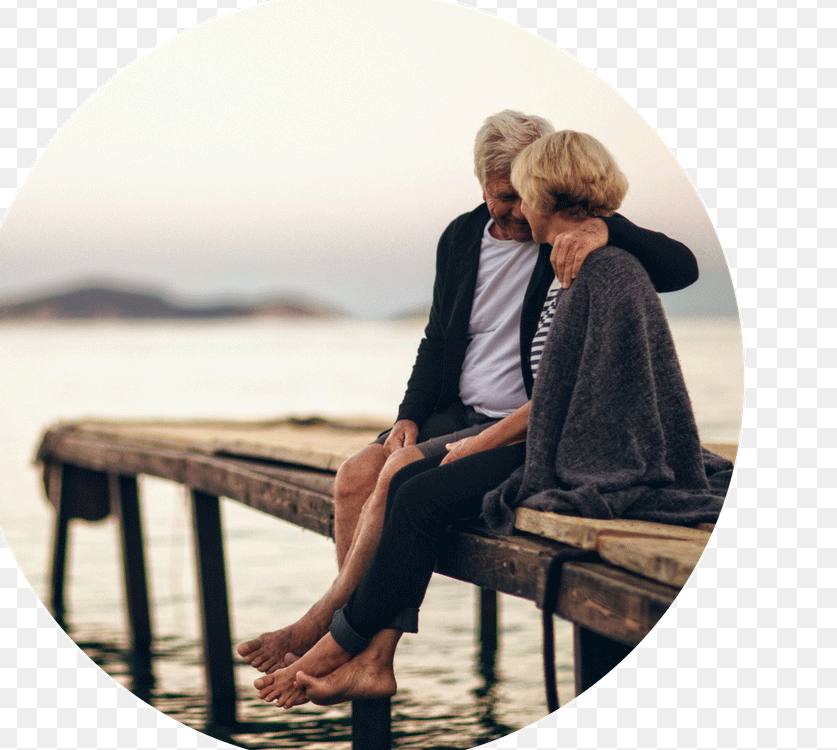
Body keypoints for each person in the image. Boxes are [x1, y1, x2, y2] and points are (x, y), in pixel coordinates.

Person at [253, 129, 733, 709]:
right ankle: (352, 645)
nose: (513, 210)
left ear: (545, 192)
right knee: (361, 472)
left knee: (408, 482)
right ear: (482, 186)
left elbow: (664, 282)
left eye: (522, 195)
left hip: (536, 430)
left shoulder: (581, 254)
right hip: (487, 417)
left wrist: (604, 227)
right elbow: (441, 338)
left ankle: (338, 640)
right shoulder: (464, 237)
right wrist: (412, 414)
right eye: (501, 195)